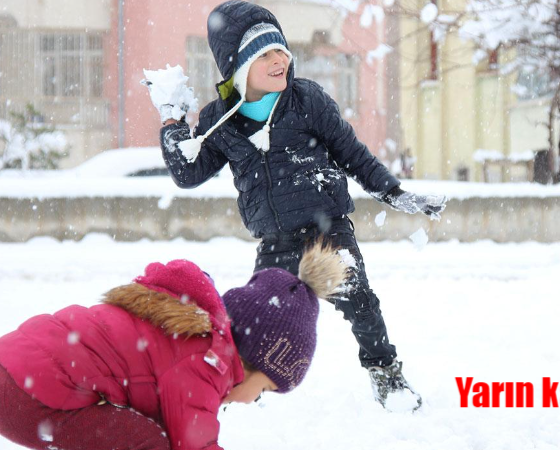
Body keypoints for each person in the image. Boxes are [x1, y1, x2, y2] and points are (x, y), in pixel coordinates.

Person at [149, 0, 446, 411]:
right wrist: (172, 123)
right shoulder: (220, 120)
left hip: (327, 232)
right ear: (238, 66)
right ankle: (239, 385)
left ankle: (386, 376)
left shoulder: (306, 100)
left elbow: (352, 153)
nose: (279, 60)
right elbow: (188, 173)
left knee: (361, 303)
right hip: (275, 240)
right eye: (265, 54)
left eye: (281, 50)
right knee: (253, 321)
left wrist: (394, 193)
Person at [0, 243, 346, 450]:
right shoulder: (206, 361)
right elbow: (194, 443)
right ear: (253, 358)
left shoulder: (189, 337)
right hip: (28, 397)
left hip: (11, 372)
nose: (254, 400)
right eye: (266, 389)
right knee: (149, 443)